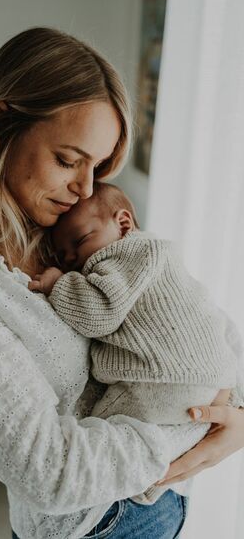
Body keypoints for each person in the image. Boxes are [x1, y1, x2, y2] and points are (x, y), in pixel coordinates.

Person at [0, 27, 244, 539]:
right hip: (93, 526)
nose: (86, 188)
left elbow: (197, 319)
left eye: (99, 166)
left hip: (160, 503)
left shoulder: (71, 235)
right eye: (68, 160)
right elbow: (49, 472)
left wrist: (238, 413)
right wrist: (192, 431)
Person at [29, 181, 244, 505]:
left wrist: (59, 283)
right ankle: (153, 486)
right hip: (209, 379)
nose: (75, 258)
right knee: (158, 436)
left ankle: (142, 489)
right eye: (65, 256)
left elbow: (99, 313)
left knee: (96, 432)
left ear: (123, 223)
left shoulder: (123, 255)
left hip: (162, 378)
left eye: (81, 240)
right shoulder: (161, 261)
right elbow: (218, 325)